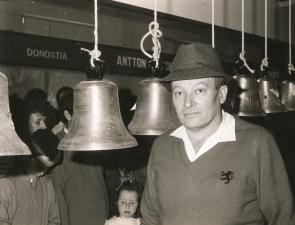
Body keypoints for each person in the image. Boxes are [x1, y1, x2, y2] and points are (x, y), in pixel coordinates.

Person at [140, 42, 295, 225]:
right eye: (179, 93)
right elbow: (149, 219)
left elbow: (284, 218)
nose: (188, 103)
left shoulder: (256, 142)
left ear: (221, 94)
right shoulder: (162, 146)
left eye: (199, 90)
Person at [50, 87, 108, 225]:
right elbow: (59, 196)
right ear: (67, 115)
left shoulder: (93, 142)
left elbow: (100, 182)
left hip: (101, 219)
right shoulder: (58, 146)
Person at [0, 129, 61, 225]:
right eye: (40, 166)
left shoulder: (46, 183)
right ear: (29, 158)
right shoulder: (6, 184)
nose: (43, 173)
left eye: (48, 168)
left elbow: (54, 220)